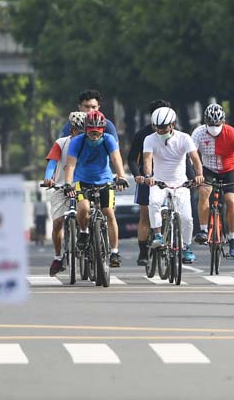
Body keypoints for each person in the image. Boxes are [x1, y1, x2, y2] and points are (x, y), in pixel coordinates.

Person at [63, 110, 128, 267]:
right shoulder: (77, 141)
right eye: (91, 132)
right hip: (82, 180)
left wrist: (122, 176)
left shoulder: (109, 139)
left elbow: (116, 158)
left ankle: (114, 252)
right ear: (86, 129)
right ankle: (84, 232)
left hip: (104, 180)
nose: (94, 135)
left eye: (98, 132)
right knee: (84, 208)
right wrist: (67, 184)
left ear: (103, 130)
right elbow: (70, 165)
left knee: (109, 213)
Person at [192, 103, 234, 259]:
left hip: (229, 169)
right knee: (204, 191)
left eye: (217, 125)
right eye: (210, 125)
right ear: (204, 122)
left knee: (231, 200)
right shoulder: (198, 133)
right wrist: (194, 173)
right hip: (208, 169)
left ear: (223, 122)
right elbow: (190, 154)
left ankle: (232, 238)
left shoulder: (232, 133)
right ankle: (204, 229)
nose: (214, 128)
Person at [142, 106, 204, 264]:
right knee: (154, 203)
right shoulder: (149, 139)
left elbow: (195, 159)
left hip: (180, 183)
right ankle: (157, 235)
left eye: (163, 127)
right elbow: (147, 160)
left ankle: (186, 247)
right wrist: (148, 176)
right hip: (159, 182)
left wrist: (198, 175)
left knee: (187, 218)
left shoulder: (184, 138)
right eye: (157, 127)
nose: (160, 130)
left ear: (172, 125)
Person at [128, 99, 171, 265]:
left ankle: (175, 241)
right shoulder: (142, 134)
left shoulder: (175, 133)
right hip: (148, 179)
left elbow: (185, 158)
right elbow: (132, 158)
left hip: (170, 178)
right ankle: (143, 252)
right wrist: (138, 175)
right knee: (145, 214)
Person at [44, 111, 85, 276]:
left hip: (83, 187)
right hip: (62, 187)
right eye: (77, 131)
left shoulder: (91, 143)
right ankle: (58, 256)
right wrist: (48, 178)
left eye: (83, 132)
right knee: (58, 223)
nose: (80, 135)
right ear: (71, 130)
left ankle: (92, 241)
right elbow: (52, 164)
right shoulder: (61, 143)